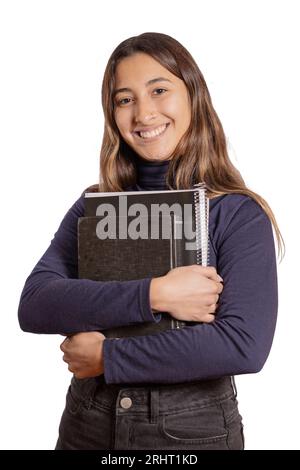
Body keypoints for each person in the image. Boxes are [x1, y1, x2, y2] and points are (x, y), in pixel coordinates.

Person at [18, 32, 284, 450]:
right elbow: (35, 304)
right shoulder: (96, 205)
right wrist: (154, 294)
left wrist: (110, 357)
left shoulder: (235, 212)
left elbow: (242, 345)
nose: (143, 113)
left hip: (190, 432)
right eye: (124, 99)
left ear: (193, 95)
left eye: (159, 90)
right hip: (88, 424)